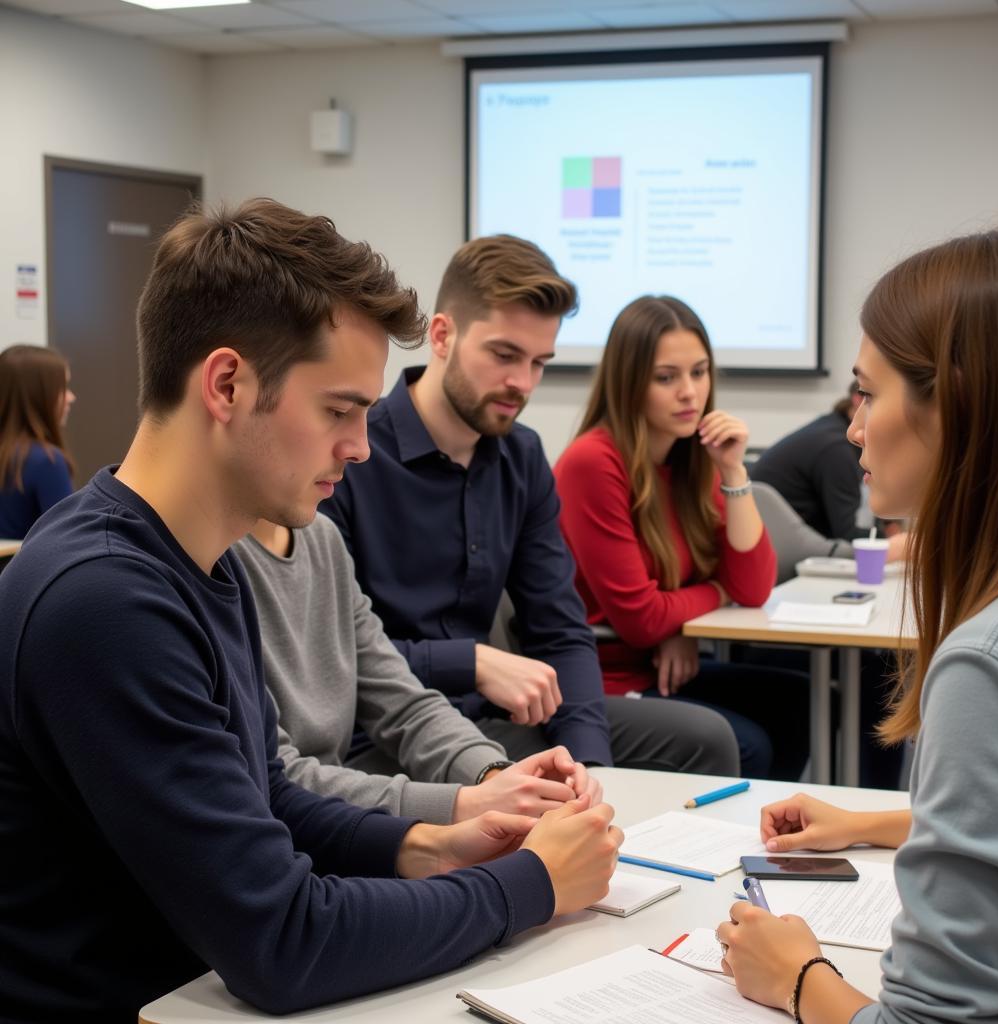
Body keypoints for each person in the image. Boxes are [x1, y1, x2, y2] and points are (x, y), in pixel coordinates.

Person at [0, 200, 623, 1023]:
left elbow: (267, 795)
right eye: (338, 409)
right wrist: (531, 885)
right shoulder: (107, 601)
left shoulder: (195, 561)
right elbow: (284, 942)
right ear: (227, 385)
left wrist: (430, 844)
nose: (362, 446)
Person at [717, 224, 998, 1023]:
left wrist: (794, 973)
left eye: (869, 392)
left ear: (954, 403)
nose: (853, 426)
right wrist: (878, 821)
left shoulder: (988, 660)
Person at [321, 235, 739, 778]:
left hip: (493, 718)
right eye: (504, 355)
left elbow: (560, 630)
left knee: (706, 739)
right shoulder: (353, 455)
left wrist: (590, 764)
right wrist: (469, 663)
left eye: (540, 362)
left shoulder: (522, 457)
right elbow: (329, 654)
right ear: (442, 335)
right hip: (385, 735)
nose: (523, 383)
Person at [553, 295, 809, 781]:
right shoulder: (593, 463)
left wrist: (733, 469)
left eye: (700, 372)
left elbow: (754, 588)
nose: (690, 393)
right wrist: (710, 596)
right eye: (666, 378)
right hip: (604, 680)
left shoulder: (692, 459)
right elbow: (643, 620)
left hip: (658, 668)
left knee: (795, 697)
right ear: (629, 384)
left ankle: (779, 845)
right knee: (746, 743)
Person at [233, 512, 601, 823]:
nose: (361, 449)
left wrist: (494, 774)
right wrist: (465, 805)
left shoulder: (321, 536)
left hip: (336, 815)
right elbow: (274, 779)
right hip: (294, 835)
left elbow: (405, 704)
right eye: (336, 420)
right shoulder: (210, 556)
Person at [751, 381, 907, 562]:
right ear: (857, 399)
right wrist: (892, 545)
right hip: (779, 554)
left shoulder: (832, 428)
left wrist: (889, 527)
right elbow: (846, 533)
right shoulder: (836, 448)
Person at [0, 343, 75, 538]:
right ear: (38, 394)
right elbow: (67, 539)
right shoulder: (46, 461)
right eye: (63, 388)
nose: (71, 397)